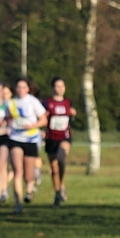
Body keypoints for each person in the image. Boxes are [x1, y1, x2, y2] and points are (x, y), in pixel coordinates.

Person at [7, 77, 47, 213]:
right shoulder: (11, 103)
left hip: (30, 139)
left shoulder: (33, 102)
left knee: (28, 175)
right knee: (17, 171)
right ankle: (18, 203)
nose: (21, 90)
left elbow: (44, 120)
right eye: (18, 87)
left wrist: (32, 126)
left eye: (23, 87)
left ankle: (29, 190)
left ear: (28, 89)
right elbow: (8, 119)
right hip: (15, 139)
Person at [44, 77, 76, 207]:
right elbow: (42, 117)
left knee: (61, 159)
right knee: (54, 168)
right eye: (57, 86)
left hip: (65, 136)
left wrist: (73, 114)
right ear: (53, 88)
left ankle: (61, 185)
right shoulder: (47, 102)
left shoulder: (68, 102)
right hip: (51, 138)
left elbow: (72, 114)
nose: (60, 89)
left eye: (62, 86)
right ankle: (57, 192)